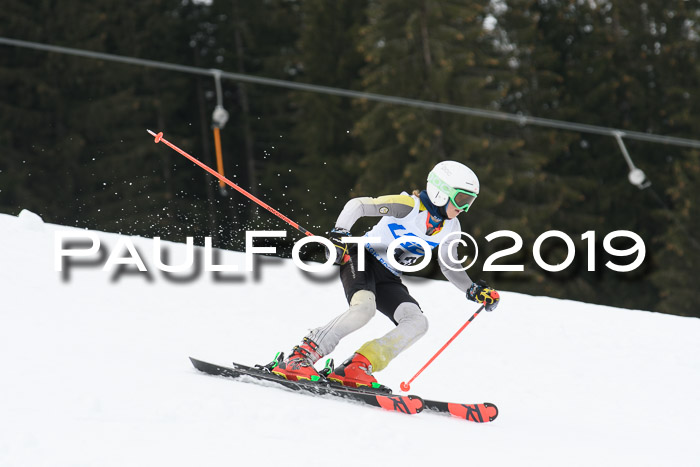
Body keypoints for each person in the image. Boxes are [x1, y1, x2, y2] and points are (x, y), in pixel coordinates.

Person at [272, 161, 500, 388]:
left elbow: (449, 265)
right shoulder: (408, 206)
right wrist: (340, 233)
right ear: (441, 192)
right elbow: (359, 205)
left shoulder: (451, 227)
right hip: (361, 256)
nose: (465, 207)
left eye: (470, 202)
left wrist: (472, 290)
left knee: (417, 322)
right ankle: (301, 356)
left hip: (388, 275)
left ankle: (357, 366)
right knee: (364, 309)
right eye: (461, 199)